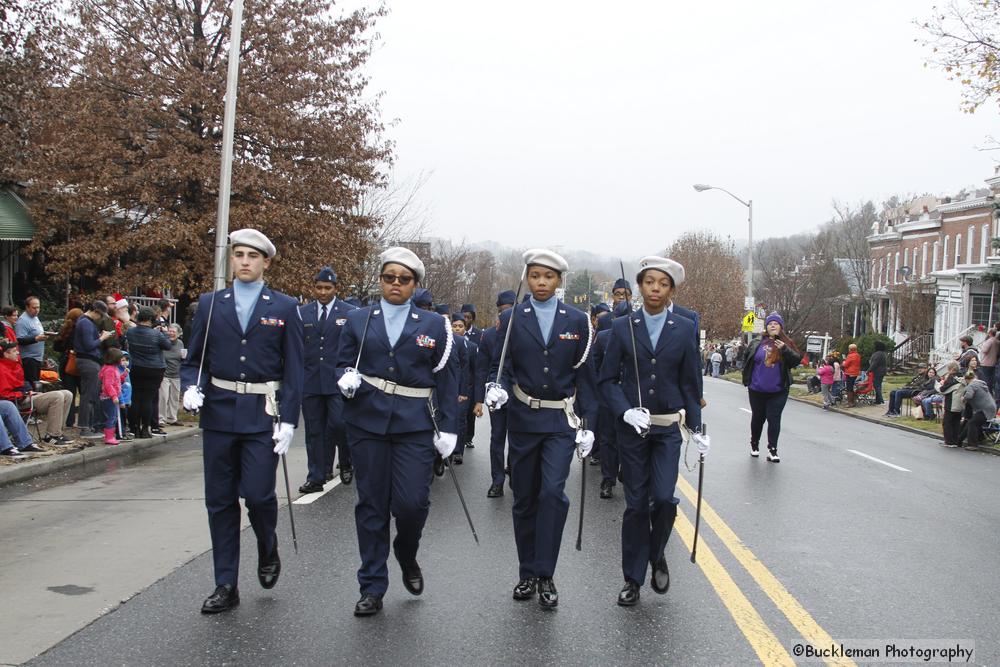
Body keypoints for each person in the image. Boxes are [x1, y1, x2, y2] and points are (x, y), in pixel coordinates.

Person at [181, 228, 304, 615]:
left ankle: (267, 544)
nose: (245, 261)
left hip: (262, 415)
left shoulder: (284, 307)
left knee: (258, 495)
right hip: (219, 412)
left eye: (253, 255)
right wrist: (191, 386)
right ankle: (226, 584)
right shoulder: (210, 304)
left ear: (266, 262)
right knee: (219, 501)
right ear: (231, 259)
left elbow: (296, 369)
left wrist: (289, 420)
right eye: (238, 254)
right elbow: (193, 359)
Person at [335, 246, 457, 617]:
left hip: (414, 424)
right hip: (367, 421)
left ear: (415, 285)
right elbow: (341, 362)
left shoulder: (434, 325)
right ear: (380, 280)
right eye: (389, 277)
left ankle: (406, 552)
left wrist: (449, 427)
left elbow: (447, 378)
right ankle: (372, 585)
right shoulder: (358, 320)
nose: (396, 284)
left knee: (411, 503)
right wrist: (345, 378)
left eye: (404, 279)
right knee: (371, 505)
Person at [485, 248, 597, 609]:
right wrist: (496, 386)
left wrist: (588, 424)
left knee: (552, 493)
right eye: (535, 276)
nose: (542, 282)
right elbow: (499, 364)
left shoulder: (578, 321)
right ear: (526, 279)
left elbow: (586, 376)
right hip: (522, 418)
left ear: (559, 281)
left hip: (560, 422)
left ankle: (546, 573)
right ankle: (526, 573)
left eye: (548, 276)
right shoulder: (513, 317)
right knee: (525, 498)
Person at [596, 256, 706, 607]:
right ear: (640, 286)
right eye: (649, 282)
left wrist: (698, 427)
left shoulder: (685, 327)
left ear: (672, 289)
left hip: (668, 430)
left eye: (663, 283)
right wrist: (625, 411)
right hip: (634, 431)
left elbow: (691, 381)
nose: (655, 288)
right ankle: (632, 578)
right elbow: (607, 379)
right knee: (635, 506)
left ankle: (657, 553)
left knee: (663, 498)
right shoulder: (622, 327)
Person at [297, 266, 356, 494]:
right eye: (319, 288)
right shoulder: (303, 313)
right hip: (311, 381)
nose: (323, 292)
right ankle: (316, 476)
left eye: (327, 288)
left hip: (337, 382)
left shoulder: (349, 312)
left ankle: (347, 459)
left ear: (336, 288)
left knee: (340, 424)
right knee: (314, 431)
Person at [741, 312, 802, 462]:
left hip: (778, 390)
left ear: (781, 327)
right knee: (758, 418)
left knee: (774, 418)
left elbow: (796, 361)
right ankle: (754, 444)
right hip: (757, 389)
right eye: (770, 323)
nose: (772, 325)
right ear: (766, 327)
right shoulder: (757, 342)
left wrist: (784, 349)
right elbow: (746, 359)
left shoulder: (786, 343)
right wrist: (747, 378)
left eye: (776, 323)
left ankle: (772, 450)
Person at [478, 290, 516, 498]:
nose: (505, 315)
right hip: (497, 395)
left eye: (509, 310)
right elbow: (484, 367)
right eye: (502, 311)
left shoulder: (526, 331)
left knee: (518, 438)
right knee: (497, 438)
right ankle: (497, 481)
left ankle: (515, 474)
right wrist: (485, 392)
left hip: (519, 394)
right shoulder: (490, 335)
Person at [0, 340, 74, 446]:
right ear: (6, 354)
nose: (17, 353)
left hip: (26, 395)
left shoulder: (15, 365)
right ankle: (51, 436)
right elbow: (4, 395)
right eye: (14, 351)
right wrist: (23, 393)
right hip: (18, 401)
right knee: (57, 396)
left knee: (67, 394)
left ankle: (57, 433)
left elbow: (23, 384)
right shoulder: (2, 369)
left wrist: (29, 390)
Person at [126, 308, 171, 438]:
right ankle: (146, 428)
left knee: (135, 398)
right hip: (155, 369)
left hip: (136, 367)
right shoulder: (156, 334)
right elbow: (167, 345)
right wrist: (164, 333)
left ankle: (134, 428)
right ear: (151, 320)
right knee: (148, 399)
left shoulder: (130, 332)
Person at [73, 301, 114, 436]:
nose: (100, 318)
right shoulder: (85, 323)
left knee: (90, 394)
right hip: (88, 361)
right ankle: (85, 427)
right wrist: (102, 338)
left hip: (88, 361)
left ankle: (88, 426)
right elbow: (89, 345)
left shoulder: (84, 322)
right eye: (100, 315)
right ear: (95, 311)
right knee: (89, 395)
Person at [450, 313, 478, 464]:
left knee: (460, 420)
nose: (457, 329)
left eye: (460, 326)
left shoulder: (472, 347)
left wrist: (467, 391)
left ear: (465, 328)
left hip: (463, 390)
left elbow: (473, 370)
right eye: (454, 325)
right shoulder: (445, 344)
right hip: (448, 388)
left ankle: (458, 451)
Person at [52, 307, 84, 429]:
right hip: (78, 363)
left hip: (66, 363)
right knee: (83, 393)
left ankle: (68, 420)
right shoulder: (80, 330)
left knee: (69, 392)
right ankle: (84, 419)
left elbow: (56, 347)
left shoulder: (64, 330)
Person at [460, 303, 481, 449]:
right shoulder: (455, 331)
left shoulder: (479, 335)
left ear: (473, 319)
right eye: (464, 316)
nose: (466, 319)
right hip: (459, 376)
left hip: (472, 377)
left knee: (470, 412)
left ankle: (469, 437)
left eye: (468, 317)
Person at [15, 296, 48, 384]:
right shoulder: (22, 321)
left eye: (38, 307)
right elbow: (19, 340)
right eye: (34, 308)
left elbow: (35, 331)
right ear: (27, 307)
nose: (37, 310)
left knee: (37, 384)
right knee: (33, 385)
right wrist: (36, 339)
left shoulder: (35, 317)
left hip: (37, 358)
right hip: (29, 359)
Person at [961, 370, 996, 450]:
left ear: (966, 379)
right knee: (977, 422)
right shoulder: (980, 383)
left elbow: (969, 395)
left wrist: (963, 398)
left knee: (972, 423)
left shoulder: (971, 385)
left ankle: (973, 445)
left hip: (984, 409)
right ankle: (981, 438)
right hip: (991, 407)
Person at [158, 323, 185, 426]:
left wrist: (184, 357)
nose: (171, 333)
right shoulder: (164, 343)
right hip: (164, 373)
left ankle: (172, 418)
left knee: (174, 397)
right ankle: (161, 419)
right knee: (163, 397)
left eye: (174, 331)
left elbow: (182, 356)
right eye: (170, 331)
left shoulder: (180, 343)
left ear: (178, 334)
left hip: (176, 373)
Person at [98, 348, 124, 445]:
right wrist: (114, 396)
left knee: (113, 416)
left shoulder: (112, 368)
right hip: (109, 398)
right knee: (111, 417)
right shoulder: (109, 370)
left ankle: (110, 436)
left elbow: (115, 380)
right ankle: (109, 437)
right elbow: (108, 384)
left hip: (111, 396)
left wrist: (123, 376)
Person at [938, 362, 965, 447]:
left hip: (951, 402)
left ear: (952, 369)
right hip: (960, 403)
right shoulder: (962, 376)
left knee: (947, 422)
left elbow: (943, 389)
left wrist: (941, 385)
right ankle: (955, 441)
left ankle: (948, 441)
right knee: (956, 422)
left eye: (948, 370)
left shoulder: (951, 378)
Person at [868, 341, 888, 405]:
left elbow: (874, 364)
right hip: (881, 371)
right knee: (878, 385)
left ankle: (881, 400)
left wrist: (868, 370)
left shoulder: (878, 354)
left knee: (877, 386)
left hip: (878, 372)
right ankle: (878, 400)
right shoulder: (883, 353)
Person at [978, 329, 997, 394]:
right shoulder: (997, 341)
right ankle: (990, 392)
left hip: (986, 363)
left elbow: (985, 350)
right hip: (993, 363)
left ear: (990, 333)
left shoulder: (989, 341)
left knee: (985, 379)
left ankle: (986, 392)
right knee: (991, 379)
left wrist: (982, 347)